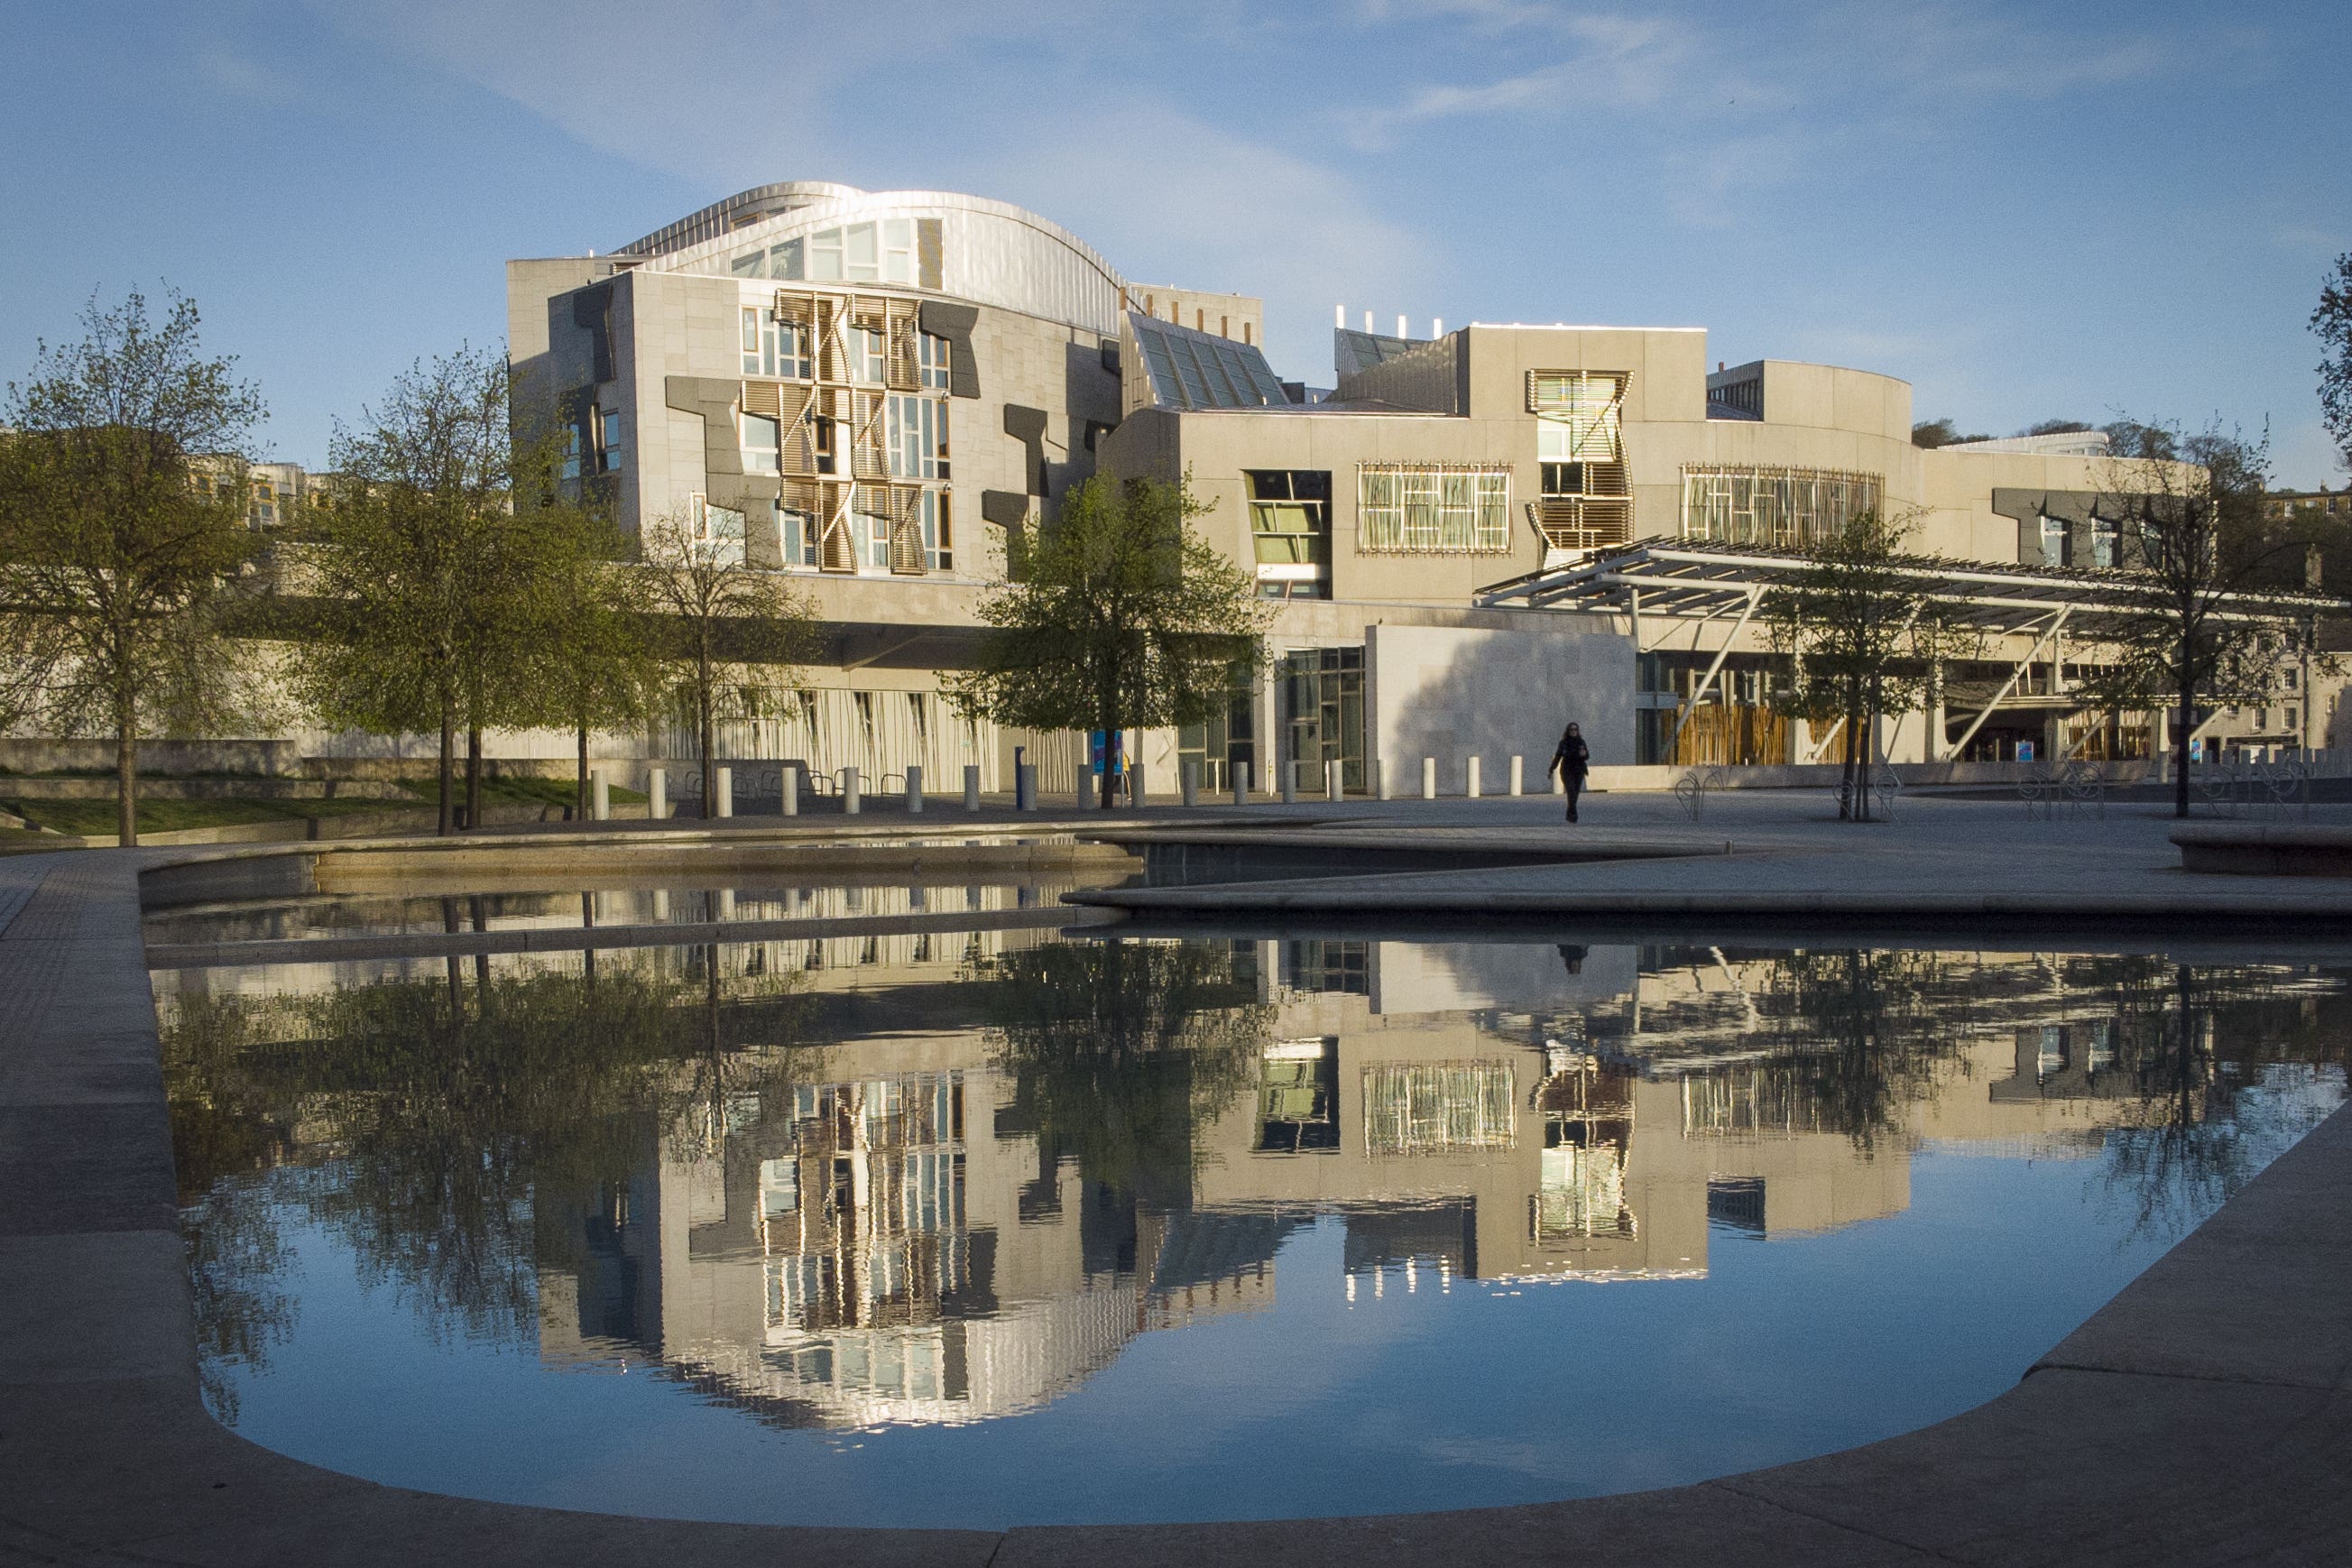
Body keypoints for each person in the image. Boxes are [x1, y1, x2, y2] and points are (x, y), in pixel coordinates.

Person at [1548, 722, 1590, 822]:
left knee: (1575, 793)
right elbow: (1558, 757)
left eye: (1575, 729)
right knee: (1571, 791)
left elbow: (1587, 756)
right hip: (1567, 770)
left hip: (1579, 770)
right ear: (1568, 731)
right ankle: (1573, 816)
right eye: (1572, 729)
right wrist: (1551, 769)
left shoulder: (1581, 742)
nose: (1574, 731)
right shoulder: (1564, 743)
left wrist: (1584, 754)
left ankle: (1569, 814)